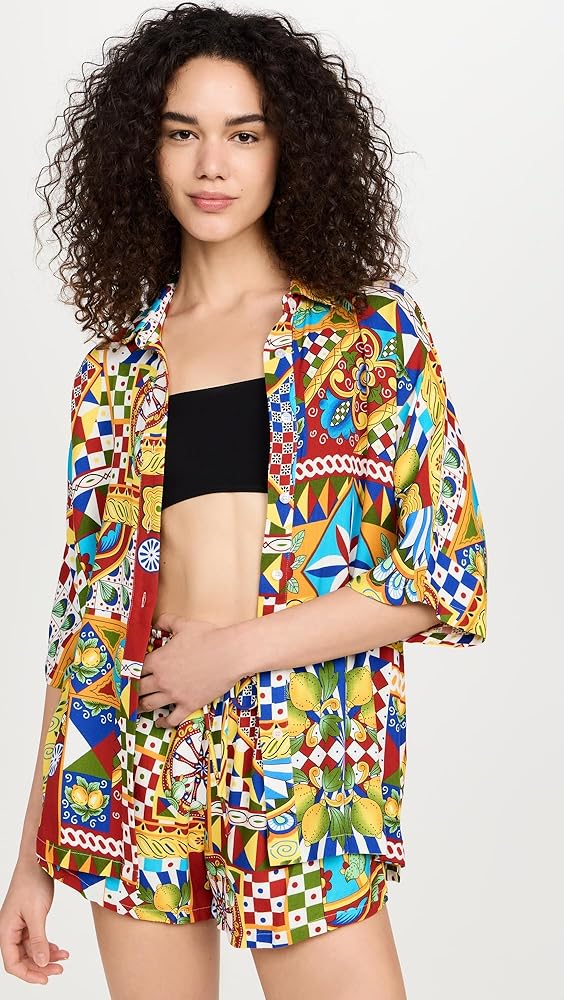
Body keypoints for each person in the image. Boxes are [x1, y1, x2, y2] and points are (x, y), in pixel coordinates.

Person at [0, 4, 488, 998]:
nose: (211, 164)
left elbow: (446, 577)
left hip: (302, 758)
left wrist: (232, 653)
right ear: (145, 152)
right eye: (183, 132)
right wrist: (34, 856)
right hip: (130, 757)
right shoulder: (115, 373)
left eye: (244, 134)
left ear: (288, 150)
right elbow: (83, 620)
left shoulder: (366, 337)